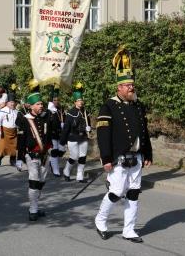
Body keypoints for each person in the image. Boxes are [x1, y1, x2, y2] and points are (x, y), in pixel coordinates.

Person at [94, 46, 152, 243]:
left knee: (134, 193)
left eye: (132, 85)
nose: (131, 88)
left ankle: (129, 230)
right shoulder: (108, 105)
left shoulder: (138, 105)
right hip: (118, 158)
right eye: (127, 85)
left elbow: (145, 131)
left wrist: (148, 154)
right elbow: (103, 134)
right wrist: (106, 158)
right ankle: (100, 221)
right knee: (116, 192)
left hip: (136, 157)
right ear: (118, 87)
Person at [16, 80, 53, 221]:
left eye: (42, 104)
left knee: (41, 182)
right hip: (31, 155)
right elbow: (20, 141)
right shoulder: (25, 120)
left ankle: (35, 205)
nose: (41, 106)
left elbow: (52, 131)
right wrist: (19, 158)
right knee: (34, 181)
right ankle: (33, 210)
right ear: (31, 106)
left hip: (45, 155)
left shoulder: (46, 117)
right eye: (38, 104)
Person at [60, 83, 91, 183]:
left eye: (81, 100)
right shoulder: (70, 113)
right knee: (74, 156)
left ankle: (80, 176)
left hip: (83, 137)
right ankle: (66, 171)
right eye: (78, 100)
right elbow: (66, 128)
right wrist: (62, 142)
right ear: (75, 102)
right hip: (73, 137)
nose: (80, 102)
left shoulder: (85, 112)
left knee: (83, 157)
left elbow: (88, 122)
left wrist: (88, 128)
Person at [0, 92, 18, 166]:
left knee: (14, 147)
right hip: (5, 131)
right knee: (3, 147)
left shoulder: (16, 111)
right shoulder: (3, 110)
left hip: (13, 132)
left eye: (13, 102)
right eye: (11, 102)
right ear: (7, 103)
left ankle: (12, 161)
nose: (12, 104)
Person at [47, 85, 65, 177]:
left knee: (61, 151)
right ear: (51, 101)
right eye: (54, 100)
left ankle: (51, 162)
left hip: (60, 133)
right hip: (52, 133)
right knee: (54, 151)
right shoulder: (49, 111)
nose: (56, 102)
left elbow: (64, 119)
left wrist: (64, 125)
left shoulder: (60, 109)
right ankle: (56, 170)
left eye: (57, 100)